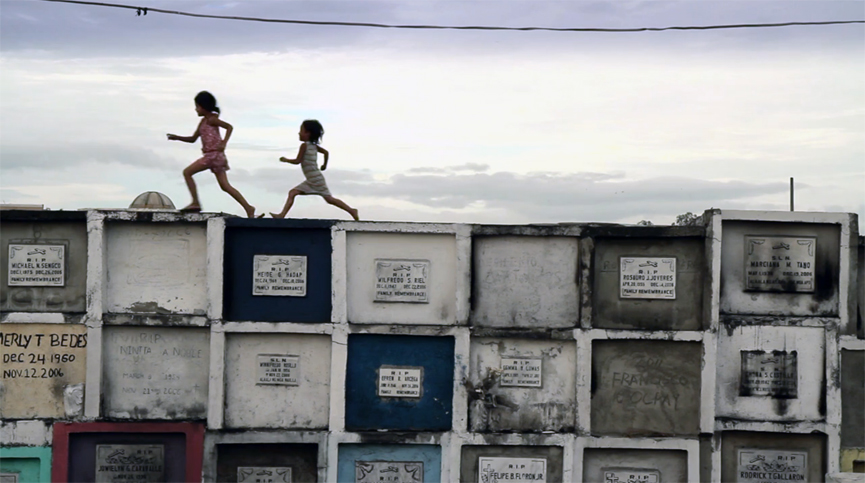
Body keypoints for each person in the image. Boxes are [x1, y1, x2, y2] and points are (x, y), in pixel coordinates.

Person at [167, 91, 257, 217]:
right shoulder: (203, 121)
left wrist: (224, 143)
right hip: (217, 157)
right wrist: (177, 138)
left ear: (203, 107)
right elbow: (193, 139)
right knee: (225, 186)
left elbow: (229, 127)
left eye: (197, 106)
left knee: (187, 172)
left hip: (212, 156)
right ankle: (249, 208)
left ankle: (195, 202)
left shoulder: (212, 119)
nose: (195, 109)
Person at [270, 120, 359, 220]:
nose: (299, 133)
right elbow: (326, 153)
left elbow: (298, 161)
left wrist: (286, 160)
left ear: (308, 133)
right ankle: (281, 215)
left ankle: (352, 210)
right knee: (295, 193)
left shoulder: (304, 146)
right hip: (313, 178)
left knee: (328, 199)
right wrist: (324, 165)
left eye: (301, 131)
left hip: (315, 179)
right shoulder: (314, 146)